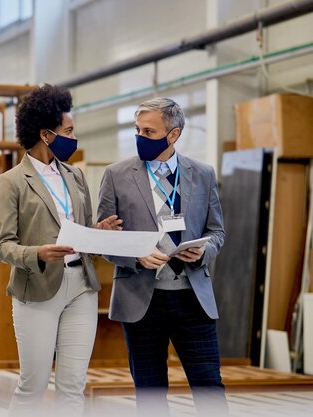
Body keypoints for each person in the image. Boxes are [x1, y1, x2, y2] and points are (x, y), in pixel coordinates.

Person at [97, 97, 228, 416]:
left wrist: (203, 251)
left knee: (209, 386)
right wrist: (135, 255)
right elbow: (103, 238)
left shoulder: (203, 174)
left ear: (174, 134)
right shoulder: (116, 175)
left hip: (193, 299)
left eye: (150, 131)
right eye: (138, 130)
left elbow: (217, 232)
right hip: (142, 301)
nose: (141, 137)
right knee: (150, 392)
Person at [0, 84, 118, 416]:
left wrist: (98, 233)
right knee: (32, 385)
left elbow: (85, 229)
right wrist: (37, 253)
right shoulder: (12, 182)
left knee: (72, 387)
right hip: (38, 287)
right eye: (69, 131)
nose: (74, 138)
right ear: (45, 134)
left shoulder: (75, 176)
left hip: (81, 286)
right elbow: (2, 246)